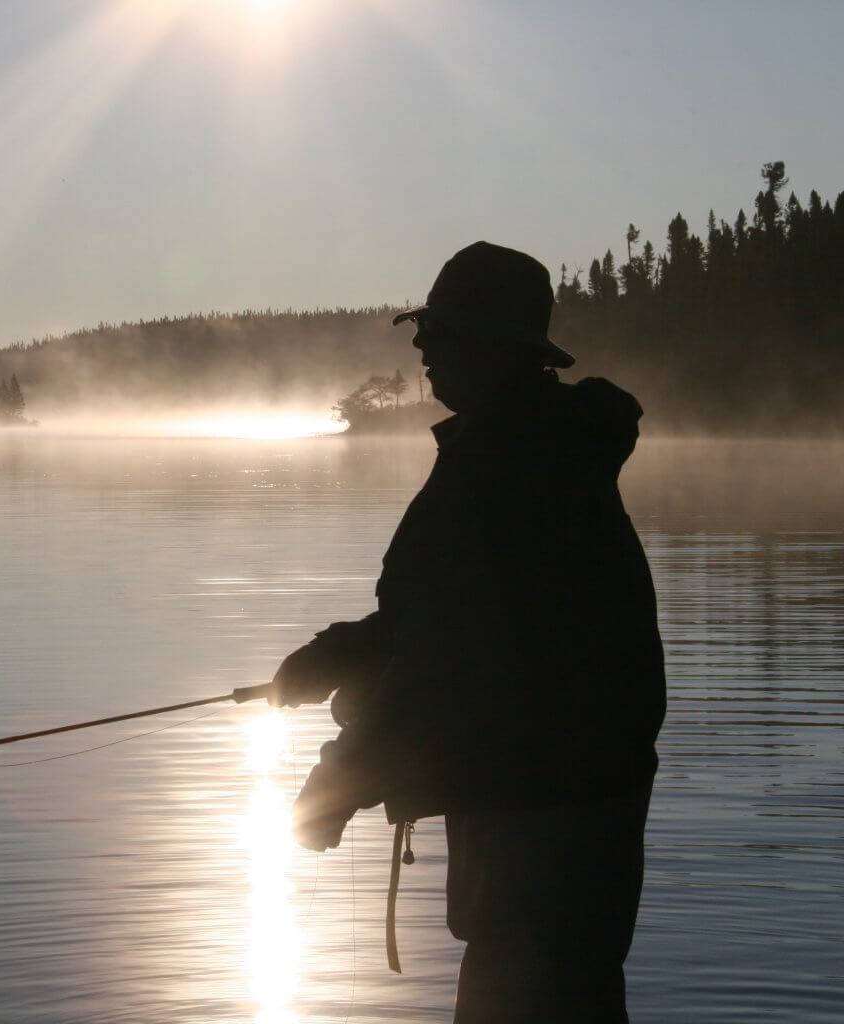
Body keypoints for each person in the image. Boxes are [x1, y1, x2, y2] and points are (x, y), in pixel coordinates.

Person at [272, 241, 666, 1023]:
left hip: (533, 816)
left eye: (440, 330)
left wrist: (338, 783)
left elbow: (456, 659)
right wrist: (346, 650)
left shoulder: (503, 467)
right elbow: (459, 614)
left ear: (495, 346)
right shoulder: (545, 453)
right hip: (584, 808)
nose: (421, 345)